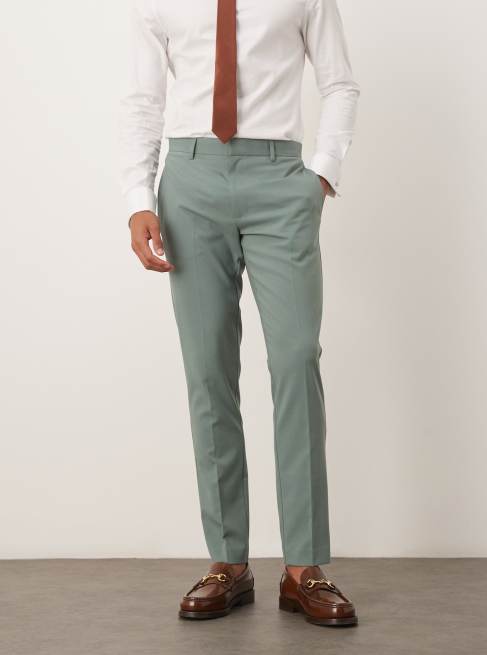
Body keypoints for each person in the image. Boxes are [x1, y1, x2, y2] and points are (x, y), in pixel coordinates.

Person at [121, 0, 360, 627]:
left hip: (282, 178)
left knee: (296, 358)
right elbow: (144, 100)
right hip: (189, 180)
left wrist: (322, 175)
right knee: (208, 371)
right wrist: (138, 196)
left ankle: (304, 567)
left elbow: (339, 83)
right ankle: (228, 562)